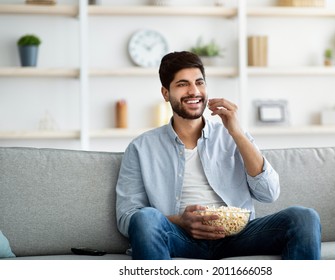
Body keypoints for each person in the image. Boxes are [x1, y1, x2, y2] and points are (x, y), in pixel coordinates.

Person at [115, 51, 321, 260]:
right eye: (182, 84)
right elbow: (127, 218)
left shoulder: (233, 135)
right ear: (165, 93)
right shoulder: (141, 148)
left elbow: (269, 192)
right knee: (146, 218)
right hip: (180, 236)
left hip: (239, 236)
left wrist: (237, 133)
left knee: (304, 218)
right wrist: (180, 221)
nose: (194, 91)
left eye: (199, 82)